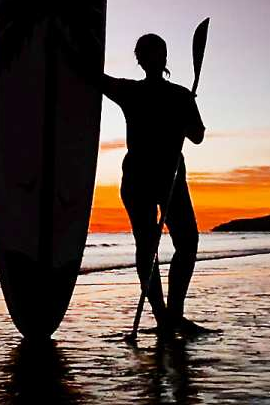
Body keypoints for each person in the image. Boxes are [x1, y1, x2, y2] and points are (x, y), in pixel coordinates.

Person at [100, 33, 208, 336]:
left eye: (154, 53)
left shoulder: (178, 95)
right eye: (148, 54)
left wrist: (187, 113)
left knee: (185, 243)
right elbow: (98, 79)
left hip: (170, 179)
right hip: (139, 180)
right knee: (149, 247)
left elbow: (196, 135)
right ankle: (165, 316)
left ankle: (171, 314)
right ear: (143, 59)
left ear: (161, 57)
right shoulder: (135, 91)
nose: (151, 58)